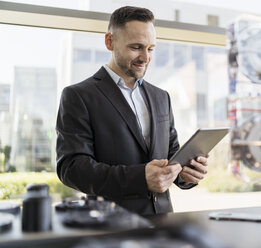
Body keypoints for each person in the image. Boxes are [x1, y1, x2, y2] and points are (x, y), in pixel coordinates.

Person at [56, 6, 208, 215]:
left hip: (164, 222)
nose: (145, 57)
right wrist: (139, 178)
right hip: (113, 226)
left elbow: (172, 155)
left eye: (151, 48)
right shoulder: (79, 96)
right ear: (110, 42)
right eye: (136, 47)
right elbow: (71, 168)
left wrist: (187, 173)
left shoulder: (161, 97)